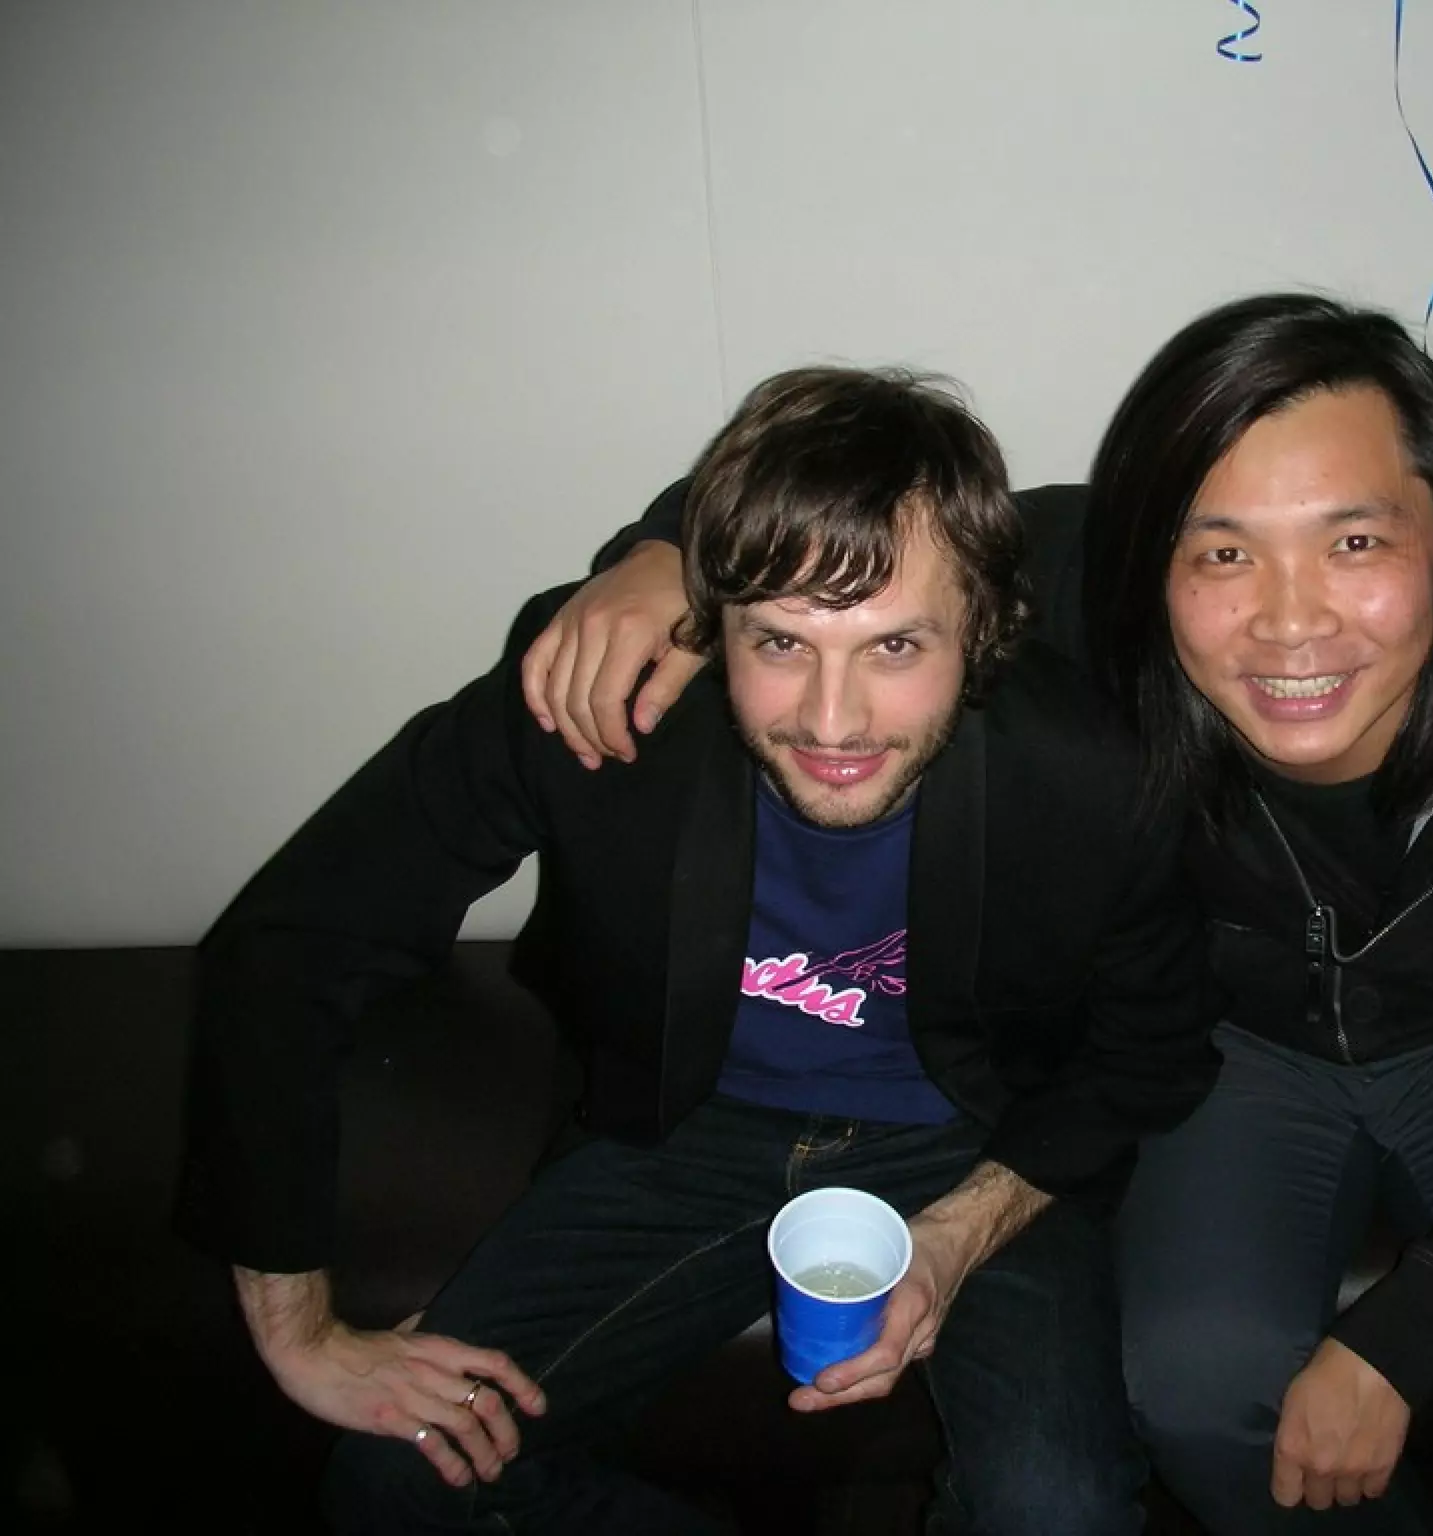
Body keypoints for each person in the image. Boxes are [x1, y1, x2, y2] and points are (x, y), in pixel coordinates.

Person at [525, 295, 1433, 1535]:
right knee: (1197, 1385)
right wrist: (664, 557)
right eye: (1222, 553)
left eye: (1353, 542)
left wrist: (1399, 1343)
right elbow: (860, 527)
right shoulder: (1096, 583)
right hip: (1232, 1041)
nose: (1288, 619)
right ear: (1153, 558)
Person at [174, 366, 1219, 1535]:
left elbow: (1151, 1051)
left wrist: (962, 1229)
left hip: (970, 1141)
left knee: (1060, 1514)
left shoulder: (1095, 773)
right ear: (711, 620)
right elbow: (292, 940)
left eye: (893, 646)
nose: (830, 720)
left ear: (979, 629)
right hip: (686, 1131)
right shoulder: (597, 704)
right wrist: (301, 1332)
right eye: (779, 642)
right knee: (396, 1484)